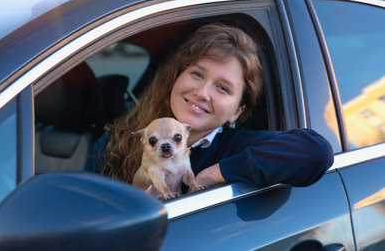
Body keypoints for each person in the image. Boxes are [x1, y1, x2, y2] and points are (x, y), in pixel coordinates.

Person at [86, 23, 333, 191]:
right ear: (177, 78)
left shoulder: (237, 148)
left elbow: (317, 151)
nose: (202, 93)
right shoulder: (116, 141)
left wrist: (211, 175)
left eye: (223, 88)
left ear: (237, 111)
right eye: (197, 74)